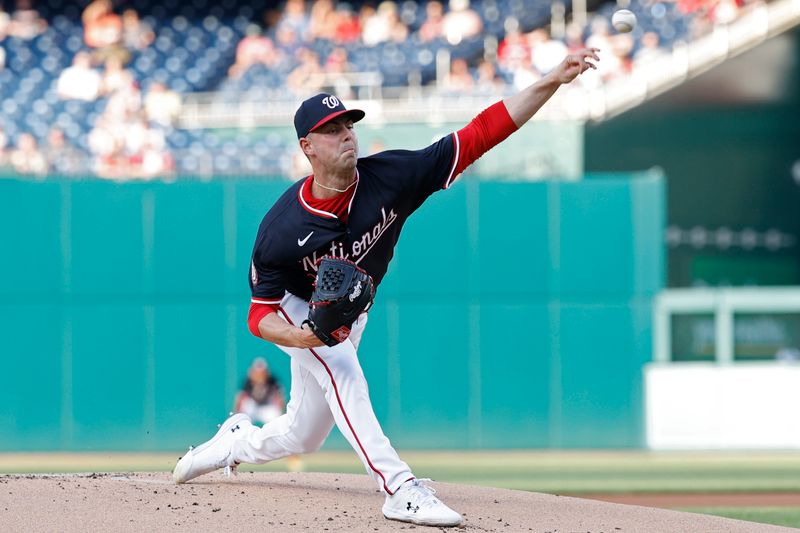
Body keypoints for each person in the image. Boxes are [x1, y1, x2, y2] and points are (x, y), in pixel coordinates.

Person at [172, 47, 601, 528]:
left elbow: (480, 134)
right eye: (331, 130)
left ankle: (235, 442)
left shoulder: (392, 176)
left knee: (304, 434)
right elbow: (259, 315)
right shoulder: (281, 228)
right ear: (307, 146)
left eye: (348, 125)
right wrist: (303, 336)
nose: (345, 135)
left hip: (348, 311)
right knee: (344, 372)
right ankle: (399, 488)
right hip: (302, 309)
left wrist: (550, 81)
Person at [233, 357, 286, 425]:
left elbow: (280, 398)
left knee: (275, 415)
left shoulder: (273, 381)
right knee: (244, 412)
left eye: (262, 372)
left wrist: (282, 413)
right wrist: (235, 416)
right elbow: (240, 399)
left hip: (266, 406)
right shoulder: (247, 381)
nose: (260, 375)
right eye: (257, 372)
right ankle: (241, 431)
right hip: (253, 407)